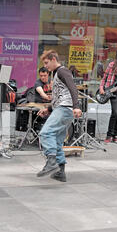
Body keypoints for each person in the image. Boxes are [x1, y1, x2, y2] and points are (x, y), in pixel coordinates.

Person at [36, 50, 82, 182]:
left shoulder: (62, 71)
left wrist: (76, 106)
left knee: (45, 133)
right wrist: (49, 108)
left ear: (53, 59)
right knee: (56, 140)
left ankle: (51, 163)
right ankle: (60, 172)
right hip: (63, 109)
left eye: (46, 63)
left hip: (64, 109)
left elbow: (73, 88)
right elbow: (60, 95)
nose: (46, 66)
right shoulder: (56, 73)